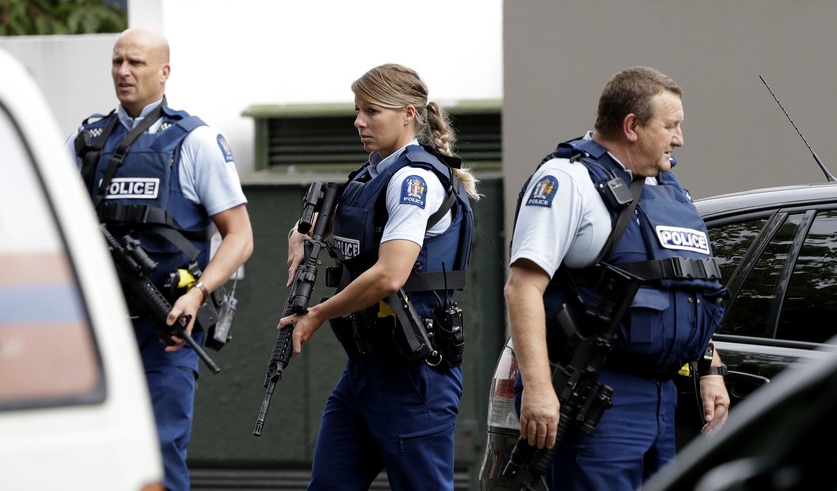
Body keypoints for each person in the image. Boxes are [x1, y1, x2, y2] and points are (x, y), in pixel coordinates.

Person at [505, 66, 731, 490]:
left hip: (665, 399)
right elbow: (522, 288)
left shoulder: (669, 190)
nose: (679, 139)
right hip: (599, 398)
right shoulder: (569, 180)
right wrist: (537, 390)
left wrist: (711, 367)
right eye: (670, 126)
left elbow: (688, 291)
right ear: (632, 126)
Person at [65, 28, 253, 491]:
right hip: (101, 326)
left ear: (164, 72)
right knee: (92, 455)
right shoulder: (85, 139)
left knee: (159, 452)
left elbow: (240, 236)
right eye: (117, 62)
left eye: (136, 63)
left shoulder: (197, 141)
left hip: (167, 326)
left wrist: (199, 293)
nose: (124, 72)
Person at [279, 63, 479, 490]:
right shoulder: (373, 173)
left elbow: (390, 275)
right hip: (364, 371)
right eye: (357, 110)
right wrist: (299, 232)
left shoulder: (413, 180)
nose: (359, 121)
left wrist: (316, 314)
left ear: (408, 114)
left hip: (414, 376)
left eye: (371, 111)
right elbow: (338, 227)